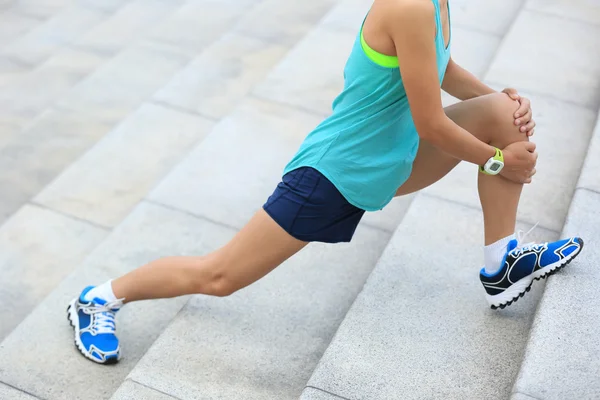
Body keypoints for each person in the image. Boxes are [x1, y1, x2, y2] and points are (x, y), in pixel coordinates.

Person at [67, 0, 584, 364]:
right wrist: (498, 162)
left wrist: (504, 100)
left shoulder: (436, 2)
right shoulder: (408, 6)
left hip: (391, 158)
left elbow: (439, 68)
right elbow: (432, 123)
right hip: (334, 174)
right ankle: (98, 299)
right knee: (219, 277)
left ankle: (501, 264)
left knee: (500, 114)